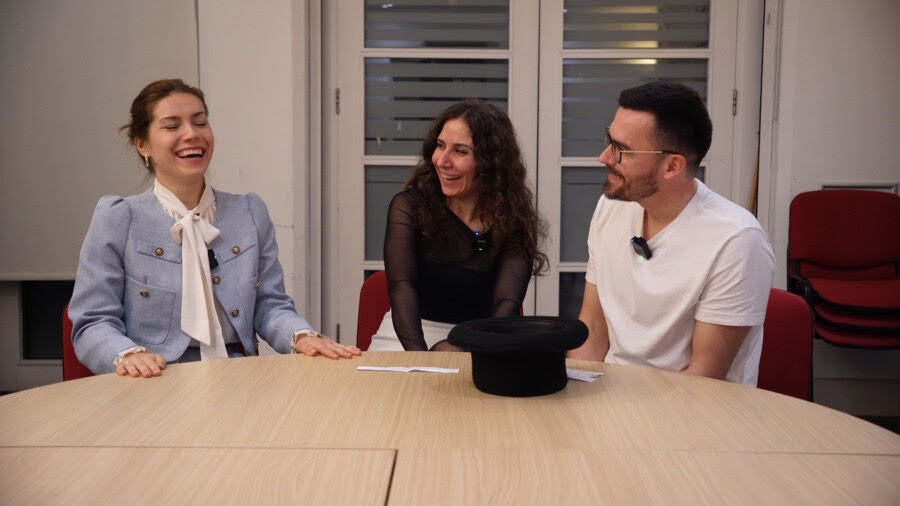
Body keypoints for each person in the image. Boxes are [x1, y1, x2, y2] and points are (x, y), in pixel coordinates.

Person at [69, 79, 360, 378]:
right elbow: (93, 321)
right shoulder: (118, 217)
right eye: (172, 126)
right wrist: (127, 356)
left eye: (200, 122)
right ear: (142, 144)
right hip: (155, 379)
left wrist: (300, 336)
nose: (192, 134)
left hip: (239, 376)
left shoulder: (249, 211)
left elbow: (270, 304)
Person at [567, 81, 774, 386]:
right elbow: (593, 332)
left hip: (696, 414)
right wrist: (580, 395)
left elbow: (704, 378)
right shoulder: (612, 208)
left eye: (621, 150)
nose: (604, 158)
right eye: (609, 140)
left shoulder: (737, 240)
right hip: (613, 400)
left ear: (672, 166)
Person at [368, 98, 548, 351]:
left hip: (477, 339)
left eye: (460, 151)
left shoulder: (513, 221)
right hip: (405, 336)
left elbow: (505, 306)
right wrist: (421, 361)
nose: (442, 160)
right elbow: (401, 288)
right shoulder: (409, 206)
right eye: (440, 146)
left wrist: (477, 351)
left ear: (491, 162)